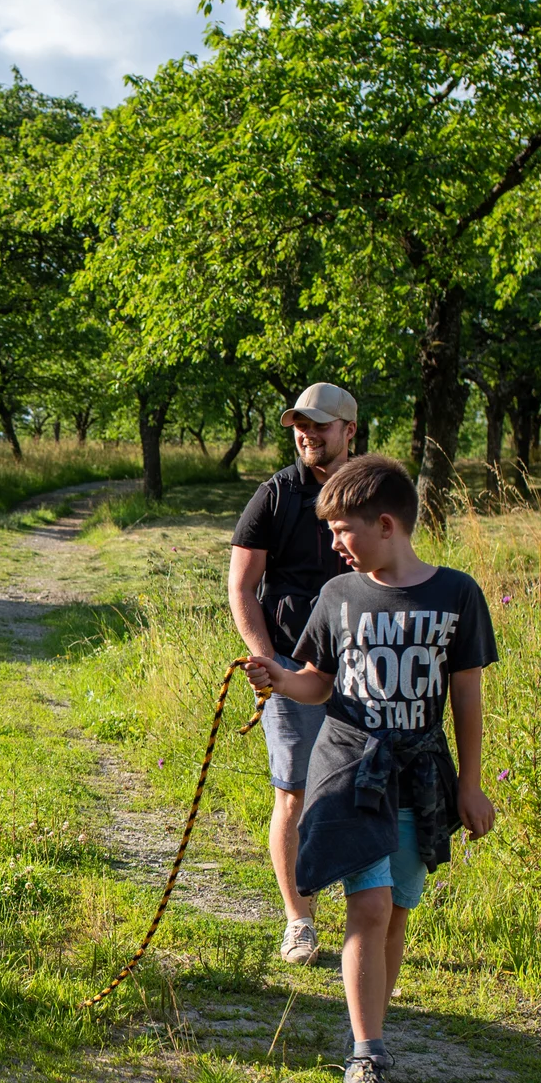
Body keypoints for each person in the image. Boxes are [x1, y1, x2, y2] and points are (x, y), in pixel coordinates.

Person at [244, 455, 497, 1083]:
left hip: (421, 775)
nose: (333, 545)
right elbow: (316, 682)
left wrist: (470, 785)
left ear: (386, 525)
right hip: (351, 768)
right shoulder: (337, 597)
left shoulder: (457, 595)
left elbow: (466, 694)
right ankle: (368, 1055)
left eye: (342, 532)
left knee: (399, 910)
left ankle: (371, 1033)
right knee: (371, 904)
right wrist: (275, 676)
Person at [228, 382, 357, 965]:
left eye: (320, 425)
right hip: (289, 664)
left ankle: (366, 915)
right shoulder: (274, 497)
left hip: (362, 668)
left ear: (349, 431)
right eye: (300, 424)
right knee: (295, 792)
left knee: (361, 791)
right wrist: (266, 658)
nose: (307, 434)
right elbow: (241, 587)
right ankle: (299, 920)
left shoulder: (370, 491)